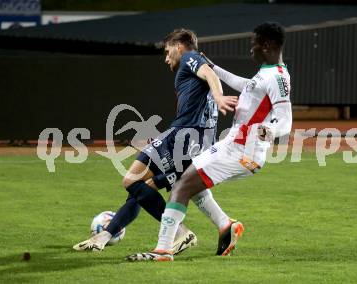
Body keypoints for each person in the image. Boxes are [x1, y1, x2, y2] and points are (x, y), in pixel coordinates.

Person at [126, 22, 292, 262]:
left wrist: (264, 132)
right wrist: (215, 67)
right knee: (190, 183)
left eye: (253, 43)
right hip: (233, 145)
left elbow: (285, 122)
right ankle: (226, 225)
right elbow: (246, 86)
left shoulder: (278, 78)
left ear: (267, 45)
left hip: (242, 150)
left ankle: (162, 250)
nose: (251, 49)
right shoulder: (266, 73)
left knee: (183, 185)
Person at [73, 28, 242, 256]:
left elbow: (211, 76)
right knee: (151, 188)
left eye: (167, 51)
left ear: (179, 46)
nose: (166, 58)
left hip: (182, 136)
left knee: (132, 181)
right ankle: (222, 224)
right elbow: (209, 76)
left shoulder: (191, 57)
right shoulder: (198, 63)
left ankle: (179, 234)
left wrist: (220, 96)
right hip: (196, 141)